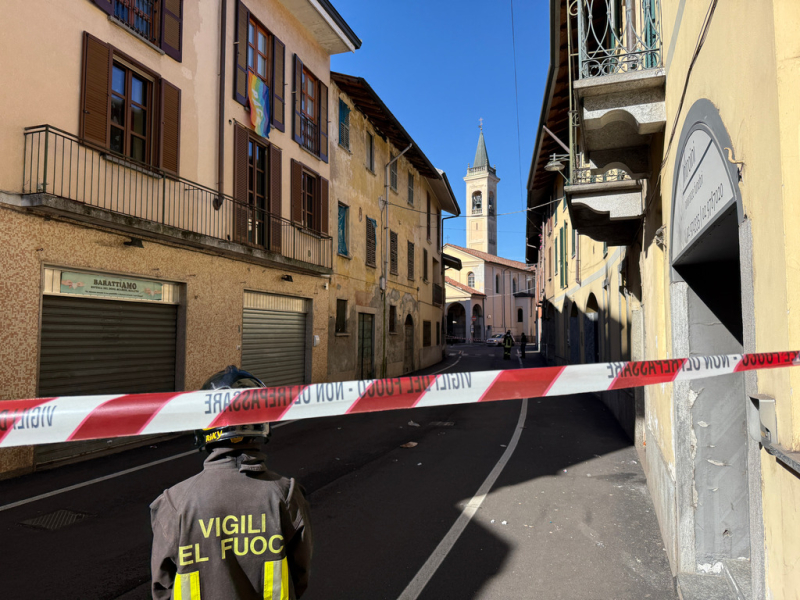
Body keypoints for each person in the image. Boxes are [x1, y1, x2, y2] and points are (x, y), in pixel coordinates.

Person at [150, 366, 312, 600]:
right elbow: (300, 576)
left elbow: (162, 588)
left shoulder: (174, 504)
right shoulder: (286, 495)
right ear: (261, 422)